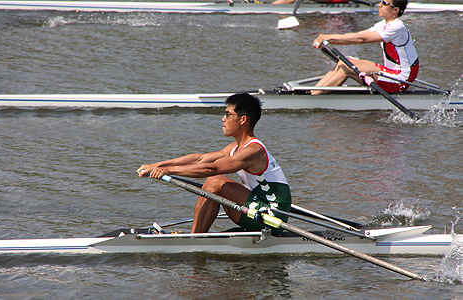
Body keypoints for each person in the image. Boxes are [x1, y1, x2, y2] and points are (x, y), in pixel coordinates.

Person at [137, 93, 292, 235]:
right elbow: (200, 159)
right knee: (214, 183)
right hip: (256, 208)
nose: (223, 119)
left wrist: (168, 171)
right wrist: (157, 165)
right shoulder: (235, 148)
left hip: (272, 216)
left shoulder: (253, 150)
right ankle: (197, 235)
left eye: (228, 115)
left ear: (243, 119)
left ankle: (195, 238)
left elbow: (213, 168)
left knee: (215, 181)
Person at [311, 0, 419, 95]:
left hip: (400, 80)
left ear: (395, 10)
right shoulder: (383, 24)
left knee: (347, 66)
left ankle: (312, 98)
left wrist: (329, 38)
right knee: (344, 62)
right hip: (392, 74)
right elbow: (359, 35)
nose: (380, 5)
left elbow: (362, 39)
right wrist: (330, 39)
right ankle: (313, 92)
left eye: (384, 3)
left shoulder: (397, 27)